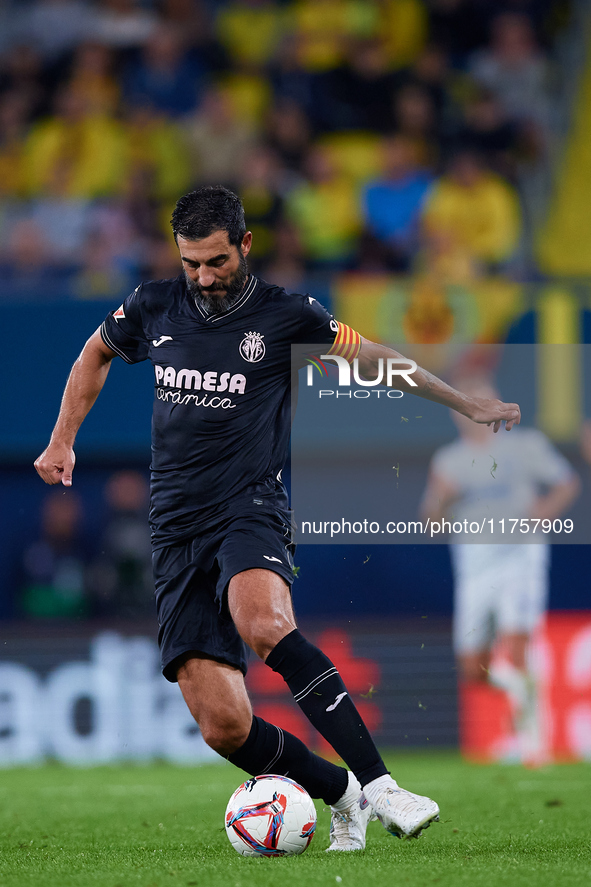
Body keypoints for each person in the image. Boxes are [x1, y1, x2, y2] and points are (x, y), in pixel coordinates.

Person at [35, 186, 520, 850]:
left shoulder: (288, 315)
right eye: (190, 263)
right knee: (223, 726)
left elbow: (377, 359)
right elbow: (94, 352)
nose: (203, 277)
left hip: (248, 506)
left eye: (215, 261)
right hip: (174, 527)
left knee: (263, 622)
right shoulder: (154, 304)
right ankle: (341, 794)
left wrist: (463, 402)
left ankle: (380, 786)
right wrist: (63, 438)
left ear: (244, 245)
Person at [421, 376, 579, 763]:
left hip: (519, 557)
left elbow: (566, 482)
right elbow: (431, 523)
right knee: (473, 669)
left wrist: (543, 512)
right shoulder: (448, 461)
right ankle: (521, 696)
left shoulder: (525, 445)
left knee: (517, 643)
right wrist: (442, 499)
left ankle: (531, 740)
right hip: (474, 568)